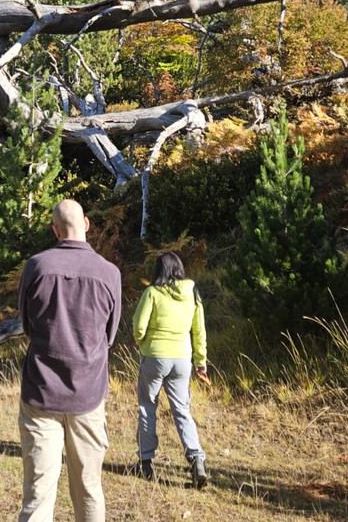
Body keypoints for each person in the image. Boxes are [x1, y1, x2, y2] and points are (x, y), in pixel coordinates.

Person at [17, 199, 122, 522]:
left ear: (55, 230)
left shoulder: (36, 267)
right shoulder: (109, 273)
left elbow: (26, 325)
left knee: (38, 492)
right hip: (88, 393)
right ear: (87, 224)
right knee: (89, 488)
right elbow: (110, 336)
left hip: (41, 391)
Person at [132, 251, 208, 488]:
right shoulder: (192, 292)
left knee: (147, 407)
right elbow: (199, 330)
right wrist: (200, 360)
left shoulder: (152, 292)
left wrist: (144, 344)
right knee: (182, 410)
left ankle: (145, 462)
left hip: (155, 356)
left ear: (159, 271)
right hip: (182, 359)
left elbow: (138, 326)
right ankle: (196, 460)